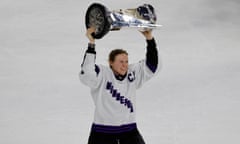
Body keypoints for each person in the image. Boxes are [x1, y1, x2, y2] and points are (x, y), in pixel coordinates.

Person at [79, 27, 160, 144]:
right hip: (102, 132)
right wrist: (91, 44)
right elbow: (87, 73)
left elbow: (152, 65)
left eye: (126, 61)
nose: (125, 65)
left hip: (129, 131)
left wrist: (149, 38)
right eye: (121, 62)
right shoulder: (102, 74)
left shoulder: (132, 74)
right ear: (111, 62)